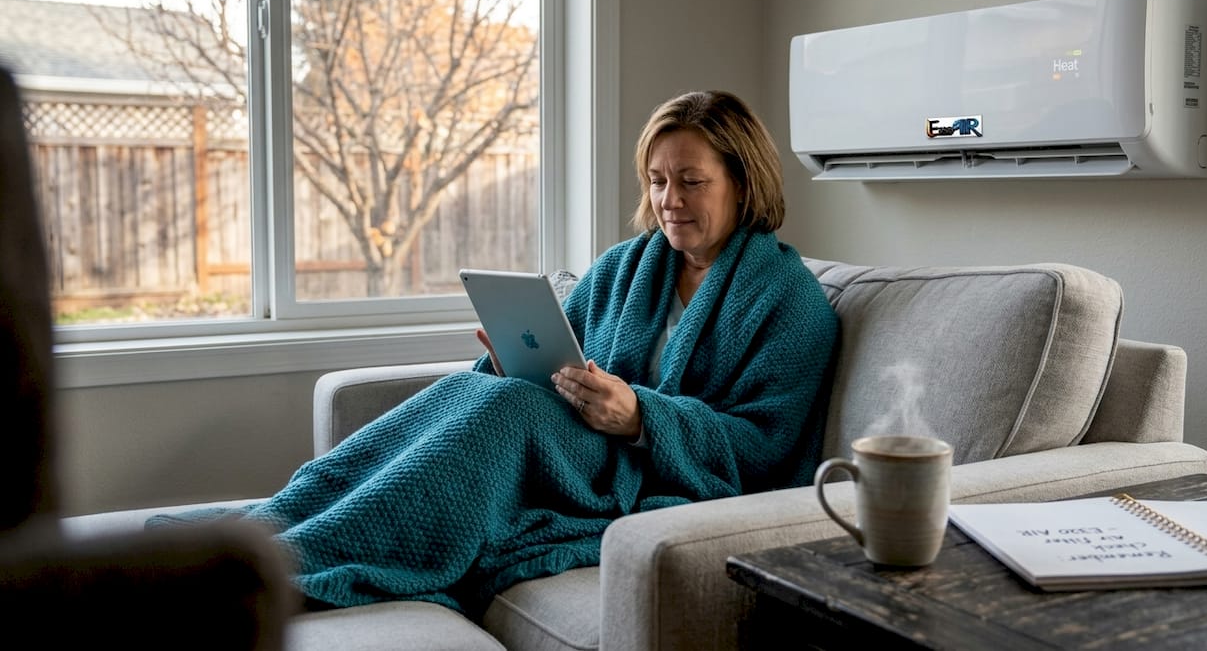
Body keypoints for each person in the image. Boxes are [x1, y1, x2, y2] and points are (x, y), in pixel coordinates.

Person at [150, 89, 839, 619]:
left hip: (648, 473)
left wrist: (639, 417)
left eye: (691, 181)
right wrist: (516, 360)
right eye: (657, 180)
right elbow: (566, 355)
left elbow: (763, 451)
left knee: (506, 409)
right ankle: (264, 526)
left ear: (743, 183)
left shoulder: (788, 300)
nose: (668, 200)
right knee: (472, 391)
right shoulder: (628, 267)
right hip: (578, 439)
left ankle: (277, 567)